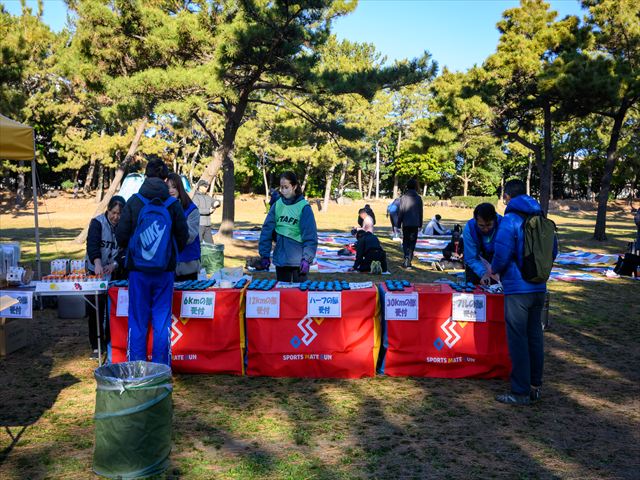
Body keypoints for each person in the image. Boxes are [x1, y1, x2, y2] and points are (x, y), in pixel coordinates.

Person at [116, 156, 188, 366]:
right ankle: (160, 371)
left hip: (138, 272)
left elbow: (121, 236)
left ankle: (136, 369)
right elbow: (183, 237)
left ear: (145, 176)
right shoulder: (172, 204)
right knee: (162, 322)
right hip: (164, 271)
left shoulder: (134, 201)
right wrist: (169, 254)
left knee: (137, 321)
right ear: (165, 179)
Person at [491, 179, 557, 406]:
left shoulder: (510, 220)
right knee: (535, 337)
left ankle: (520, 391)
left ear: (507, 196)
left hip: (517, 289)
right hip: (539, 286)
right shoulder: (541, 218)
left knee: (518, 340)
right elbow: (553, 250)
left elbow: (501, 253)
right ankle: (535, 386)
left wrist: (494, 270)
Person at [85, 195, 126, 359]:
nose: (115, 217)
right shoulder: (97, 223)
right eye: (113, 212)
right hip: (95, 271)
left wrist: (114, 264)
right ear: (107, 210)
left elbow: (125, 251)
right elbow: (92, 244)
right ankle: (96, 345)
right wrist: (97, 263)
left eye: (119, 214)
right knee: (95, 308)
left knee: (112, 309)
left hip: (113, 272)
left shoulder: (124, 226)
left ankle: (111, 341)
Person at [259, 171, 318, 282]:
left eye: (286, 187)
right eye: (281, 187)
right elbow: (267, 230)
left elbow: (310, 236)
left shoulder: (304, 207)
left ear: (294, 186)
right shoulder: (277, 205)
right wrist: (264, 254)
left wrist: (307, 258)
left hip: (298, 262)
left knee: (299, 292)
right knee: (282, 291)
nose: (283, 190)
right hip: (281, 260)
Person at [167, 173, 200, 281]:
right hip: (167, 266)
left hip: (188, 265)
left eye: (174, 187)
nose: (171, 190)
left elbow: (189, 237)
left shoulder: (192, 209)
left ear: (180, 188)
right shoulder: (162, 209)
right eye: (168, 188)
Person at [463, 203, 502, 285]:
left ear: (494, 219)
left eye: (489, 225)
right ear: (475, 220)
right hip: (476, 265)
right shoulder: (469, 229)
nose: (486, 229)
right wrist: (483, 273)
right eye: (481, 226)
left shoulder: (504, 226)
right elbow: (471, 258)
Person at [397, 178, 423, 269]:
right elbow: (420, 212)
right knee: (412, 242)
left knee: (406, 241)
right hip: (415, 223)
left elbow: (401, 211)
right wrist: (420, 224)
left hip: (406, 223)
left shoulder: (403, 198)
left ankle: (406, 258)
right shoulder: (418, 198)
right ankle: (409, 259)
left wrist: (398, 224)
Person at [192, 180, 215, 244]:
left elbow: (215, 201)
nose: (206, 188)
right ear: (200, 187)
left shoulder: (208, 197)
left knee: (211, 245)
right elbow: (196, 210)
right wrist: (208, 211)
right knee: (198, 244)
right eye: (205, 186)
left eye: (207, 186)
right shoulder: (196, 197)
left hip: (208, 225)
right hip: (199, 224)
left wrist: (217, 203)